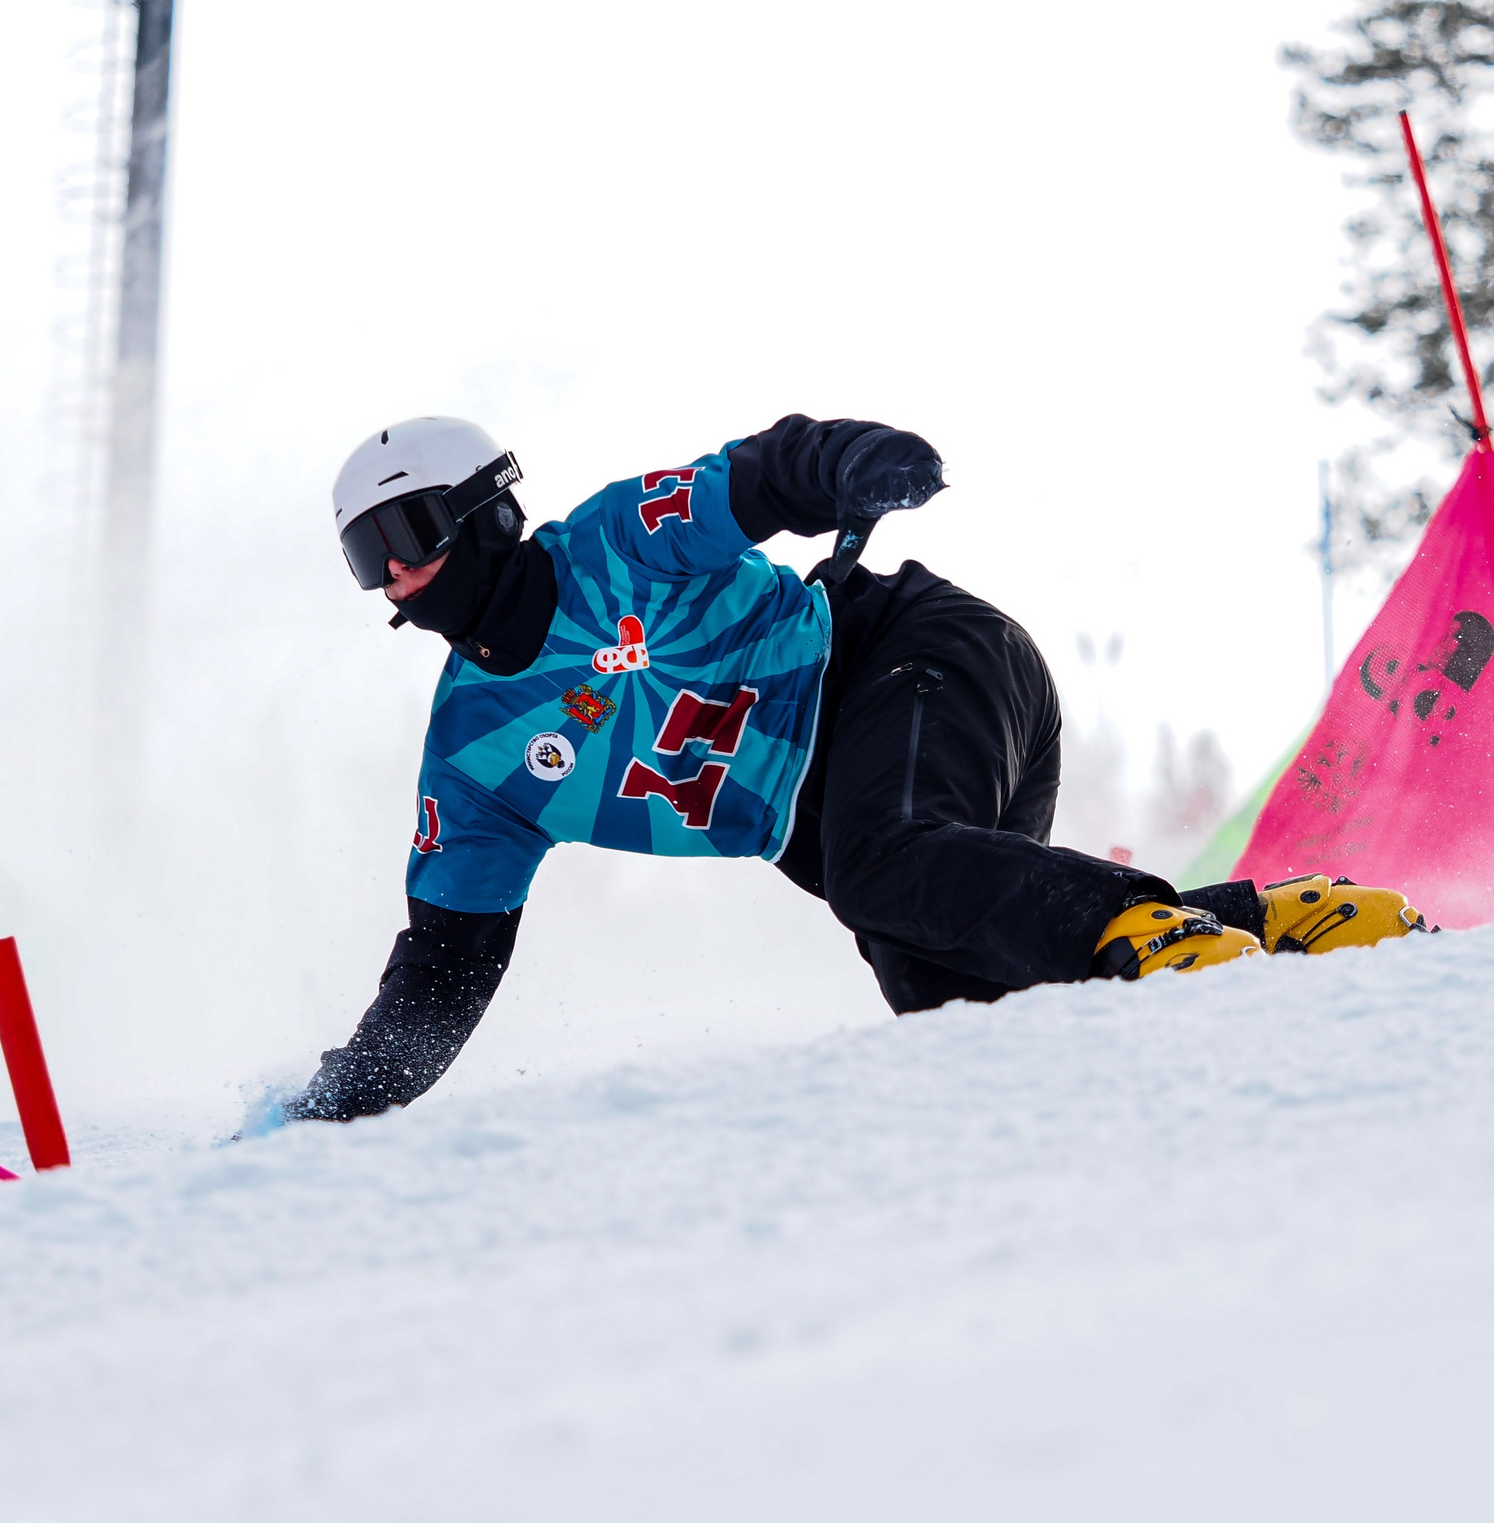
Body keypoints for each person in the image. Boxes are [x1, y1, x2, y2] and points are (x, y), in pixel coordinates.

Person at [287, 415, 1427, 1122]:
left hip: (916, 660)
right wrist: (334, 1105)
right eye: (364, 560)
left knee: (885, 867)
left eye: (409, 535)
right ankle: (1270, 921)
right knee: (962, 1012)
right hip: (853, 827)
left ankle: (1146, 929)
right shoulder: (475, 762)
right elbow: (443, 972)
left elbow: (765, 473)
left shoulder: (615, 540)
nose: (393, 578)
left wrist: (854, 464)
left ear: (486, 512)